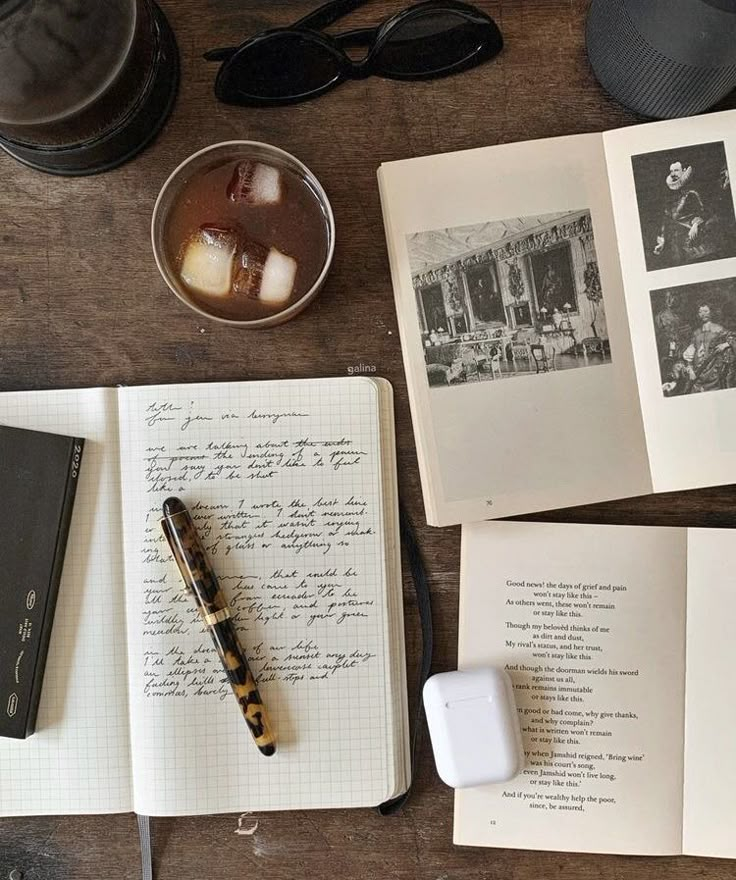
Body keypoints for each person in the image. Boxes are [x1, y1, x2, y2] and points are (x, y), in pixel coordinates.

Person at [653, 161, 719, 264]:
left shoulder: (692, 194)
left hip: (690, 240)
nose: (673, 174)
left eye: (676, 170)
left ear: (683, 171)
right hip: (675, 242)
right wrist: (662, 242)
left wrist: (696, 224)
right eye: (671, 171)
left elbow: (706, 212)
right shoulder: (669, 197)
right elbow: (666, 219)